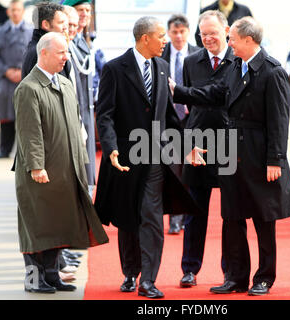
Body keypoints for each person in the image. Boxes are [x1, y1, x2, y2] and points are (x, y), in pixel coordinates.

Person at [172, 16, 290, 296]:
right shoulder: (235, 66)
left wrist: (275, 159)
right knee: (232, 218)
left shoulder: (272, 70)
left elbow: (279, 119)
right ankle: (236, 277)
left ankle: (264, 278)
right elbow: (216, 94)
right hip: (231, 154)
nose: (229, 43)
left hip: (258, 154)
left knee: (264, 221)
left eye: (232, 39)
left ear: (248, 40)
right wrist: (177, 91)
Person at [94, 16, 203, 299]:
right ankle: (130, 273)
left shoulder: (163, 66)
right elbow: (104, 115)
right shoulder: (114, 69)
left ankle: (149, 281)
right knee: (128, 217)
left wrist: (185, 147)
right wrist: (110, 147)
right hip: (125, 158)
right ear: (145, 39)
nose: (165, 40)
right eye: (160, 36)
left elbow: (168, 117)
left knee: (152, 217)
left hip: (155, 157)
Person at [13, 32, 108, 294]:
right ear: (43, 53)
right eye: (61, 53)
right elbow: (29, 133)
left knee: (56, 225)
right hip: (40, 172)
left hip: (64, 170)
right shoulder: (28, 89)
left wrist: (81, 161)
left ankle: (52, 275)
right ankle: (34, 278)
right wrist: (36, 166)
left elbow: (76, 127)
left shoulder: (65, 84)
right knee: (36, 226)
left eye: (66, 52)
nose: (66, 58)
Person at [176, 9, 232, 289]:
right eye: (203, 34)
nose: (208, 38)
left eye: (213, 33)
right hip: (197, 142)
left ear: (227, 31)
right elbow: (189, 105)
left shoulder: (238, 61)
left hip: (230, 143)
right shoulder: (191, 61)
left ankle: (230, 270)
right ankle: (189, 269)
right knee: (194, 211)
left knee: (231, 213)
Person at [161, 13, 200, 235]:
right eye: (174, 32)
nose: (178, 36)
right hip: (169, 121)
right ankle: (175, 218)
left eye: (182, 31)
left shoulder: (196, 54)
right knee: (174, 169)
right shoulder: (162, 55)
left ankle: (188, 215)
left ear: (187, 32)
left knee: (191, 169)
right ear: (169, 33)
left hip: (192, 119)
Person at [0, 0, 33, 159]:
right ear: (8, 12)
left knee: (25, 116)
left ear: (22, 11)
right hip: (5, 79)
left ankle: (25, 151)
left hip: (25, 78)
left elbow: (36, 54)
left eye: (18, 10)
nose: (15, 13)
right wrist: (6, 71)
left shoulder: (30, 31)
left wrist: (22, 72)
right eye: (12, 10)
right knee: (6, 116)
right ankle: (4, 149)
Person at [62, 0, 97, 196]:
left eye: (87, 11)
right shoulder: (65, 45)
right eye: (80, 10)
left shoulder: (82, 41)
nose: (84, 14)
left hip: (85, 110)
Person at [21, 1, 69, 79]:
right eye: (60, 23)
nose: (65, 27)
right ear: (46, 24)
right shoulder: (38, 52)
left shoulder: (43, 48)